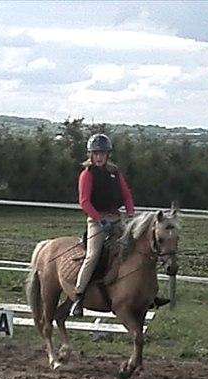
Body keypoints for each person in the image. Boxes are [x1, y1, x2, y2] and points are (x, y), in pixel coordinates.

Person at [71, 133, 169, 317]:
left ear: (108, 154)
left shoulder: (114, 173)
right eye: (96, 153)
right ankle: (78, 296)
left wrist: (131, 214)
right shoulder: (87, 175)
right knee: (93, 256)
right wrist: (99, 220)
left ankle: (149, 294)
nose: (99, 157)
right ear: (91, 155)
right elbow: (84, 201)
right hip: (96, 221)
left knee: (140, 250)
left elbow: (126, 195)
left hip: (116, 218)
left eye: (102, 153)